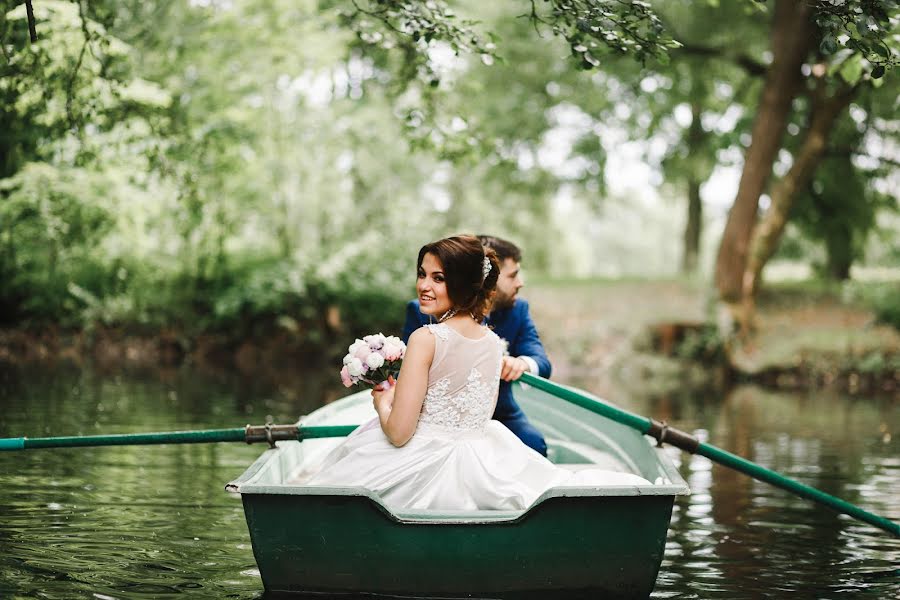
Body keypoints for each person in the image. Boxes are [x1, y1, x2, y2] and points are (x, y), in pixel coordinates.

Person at [303, 235, 649, 511]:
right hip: (481, 451)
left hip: (425, 456)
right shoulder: (491, 343)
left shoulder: (425, 338)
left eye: (438, 278)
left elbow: (398, 434)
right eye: (422, 274)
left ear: (465, 284)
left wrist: (383, 402)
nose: (424, 285)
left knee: (346, 467)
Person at [402, 235, 550, 456]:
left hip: (500, 413)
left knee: (532, 444)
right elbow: (407, 373)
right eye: (513, 275)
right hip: (433, 417)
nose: (520, 283)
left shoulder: (517, 311)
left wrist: (522, 364)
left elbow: (542, 362)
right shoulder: (423, 309)